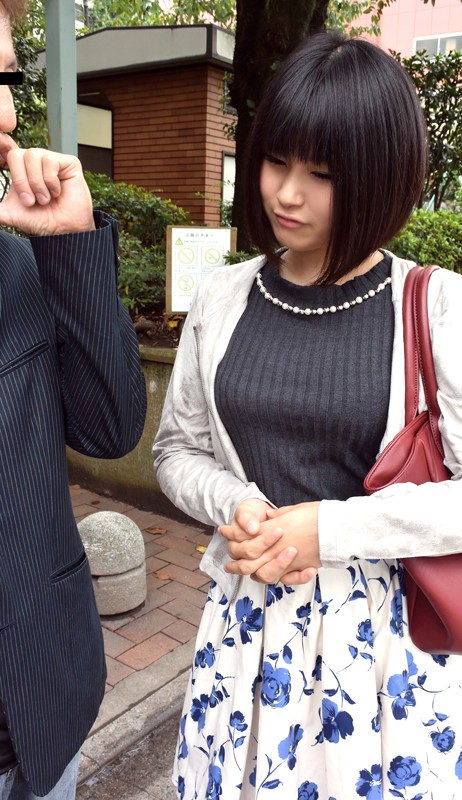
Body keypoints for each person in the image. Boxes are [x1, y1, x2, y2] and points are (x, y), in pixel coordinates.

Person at [153, 30, 462, 800]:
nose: (286, 194)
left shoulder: (434, 302)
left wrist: (325, 529)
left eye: (321, 174)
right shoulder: (223, 296)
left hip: (390, 648)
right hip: (250, 629)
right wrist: (235, 503)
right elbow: (175, 451)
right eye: (275, 161)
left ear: (378, 176)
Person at [0, 0, 146, 797]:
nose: (6, 112)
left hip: (40, 716)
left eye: (7, 79)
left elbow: (111, 427)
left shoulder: (16, 268)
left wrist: (73, 247)